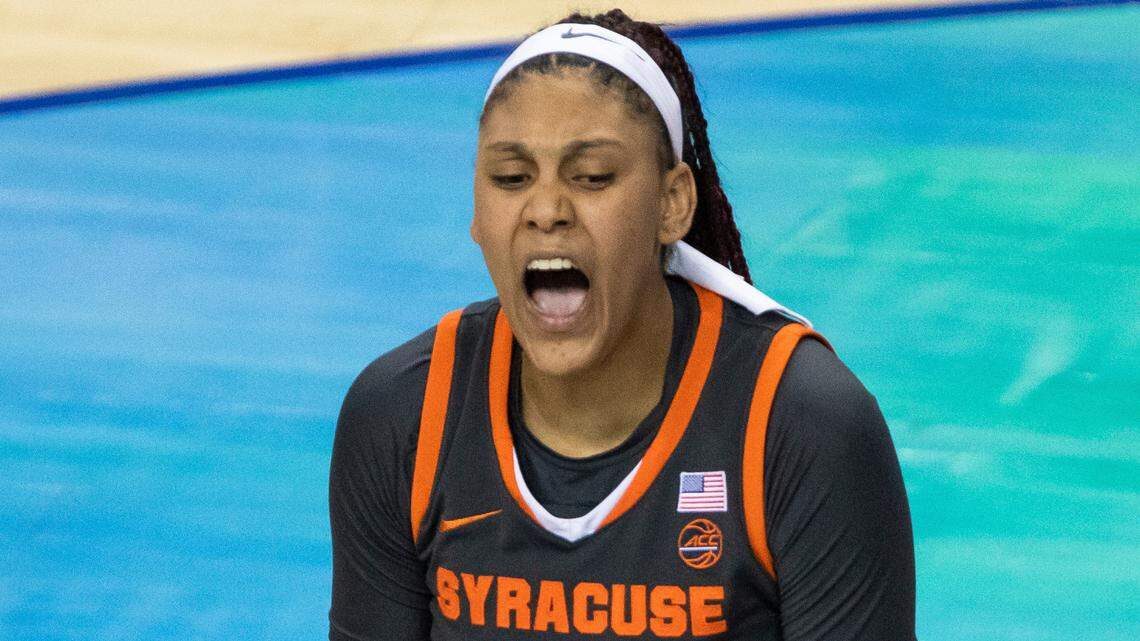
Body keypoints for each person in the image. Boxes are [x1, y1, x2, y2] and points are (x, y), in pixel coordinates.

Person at [328, 8, 916, 640]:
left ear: (673, 204)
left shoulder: (801, 424)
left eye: (592, 177)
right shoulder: (404, 417)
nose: (546, 209)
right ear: (476, 210)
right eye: (510, 177)